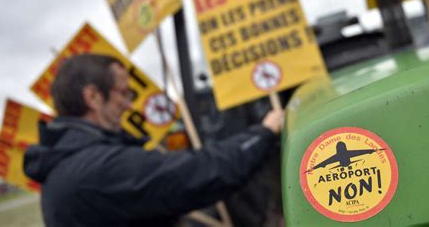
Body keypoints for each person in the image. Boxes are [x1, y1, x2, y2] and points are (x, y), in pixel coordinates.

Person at [24, 54, 284, 227]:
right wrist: (265, 131)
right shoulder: (98, 167)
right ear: (92, 97)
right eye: (123, 93)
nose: (128, 105)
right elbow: (200, 173)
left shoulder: (68, 159)